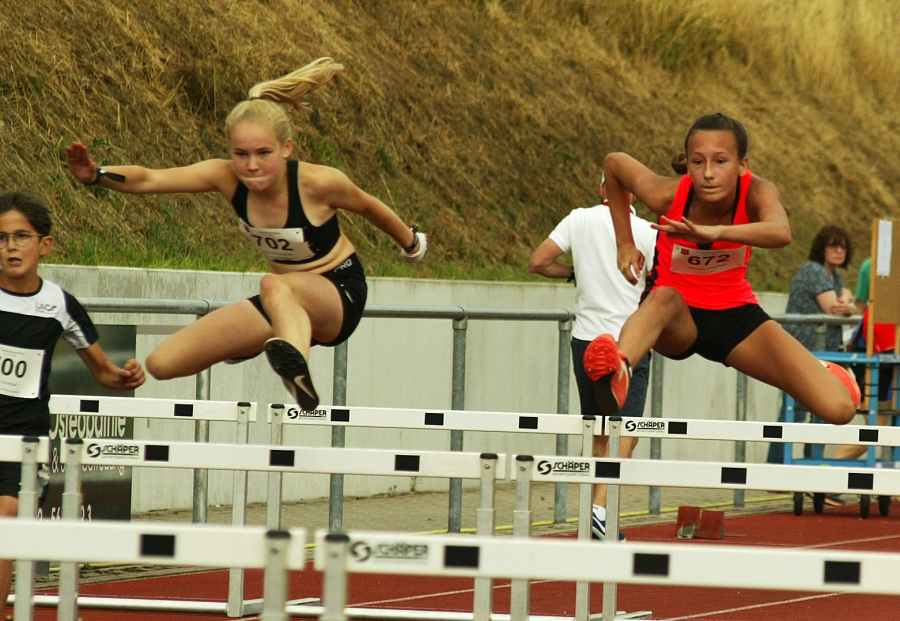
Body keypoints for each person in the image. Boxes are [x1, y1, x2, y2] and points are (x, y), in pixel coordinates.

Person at [66, 58, 426, 411]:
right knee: (163, 363)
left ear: (287, 148)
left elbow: (370, 206)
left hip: (337, 294)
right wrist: (98, 175)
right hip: (283, 305)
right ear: (229, 153)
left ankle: (295, 373)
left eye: (263, 153)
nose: (251, 166)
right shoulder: (225, 177)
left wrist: (411, 242)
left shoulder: (317, 182)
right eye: (241, 154)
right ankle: (269, 344)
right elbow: (152, 178)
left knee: (274, 284)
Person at [584, 113, 860, 435]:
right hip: (676, 317)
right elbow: (614, 164)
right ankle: (619, 367)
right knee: (664, 297)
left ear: (743, 165)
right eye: (698, 162)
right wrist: (624, 243)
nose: (708, 174)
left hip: (735, 317)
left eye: (721, 161)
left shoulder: (758, 192)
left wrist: (715, 232)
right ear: (687, 164)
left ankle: (822, 370)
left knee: (839, 410)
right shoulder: (667, 195)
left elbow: (781, 233)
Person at [0, 191, 146, 613]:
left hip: (23, 439)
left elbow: (102, 370)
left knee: (5, 527)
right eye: (2, 237)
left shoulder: (59, 304)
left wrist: (124, 376)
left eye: (21, 236)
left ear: (44, 245)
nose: (11, 246)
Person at [529, 173, 657, 541]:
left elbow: (538, 261)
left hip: (586, 340)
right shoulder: (647, 230)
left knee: (599, 432)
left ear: (602, 189)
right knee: (627, 433)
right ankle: (601, 512)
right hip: (629, 342)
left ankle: (594, 514)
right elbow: (663, 283)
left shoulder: (578, 218)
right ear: (633, 194)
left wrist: (574, 273)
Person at [763, 226, 855, 506]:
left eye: (843, 247)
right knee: (793, 411)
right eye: (833, 246)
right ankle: (776, 474)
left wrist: (846, 300)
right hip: (802, 350)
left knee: (817, 412)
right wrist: (847, 303)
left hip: (820, 353)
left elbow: (843, 300)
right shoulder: (813, 271)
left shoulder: (834, 275)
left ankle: (805, 472)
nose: (839, 251)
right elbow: (834, 307)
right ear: (821, 248)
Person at [830, 256, 897, 462]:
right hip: (874, 356)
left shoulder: (877, 266)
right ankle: (826, 479)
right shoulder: (876, 266)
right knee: (877, 432)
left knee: (879, 432)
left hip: (880, 355)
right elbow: (860, 307)